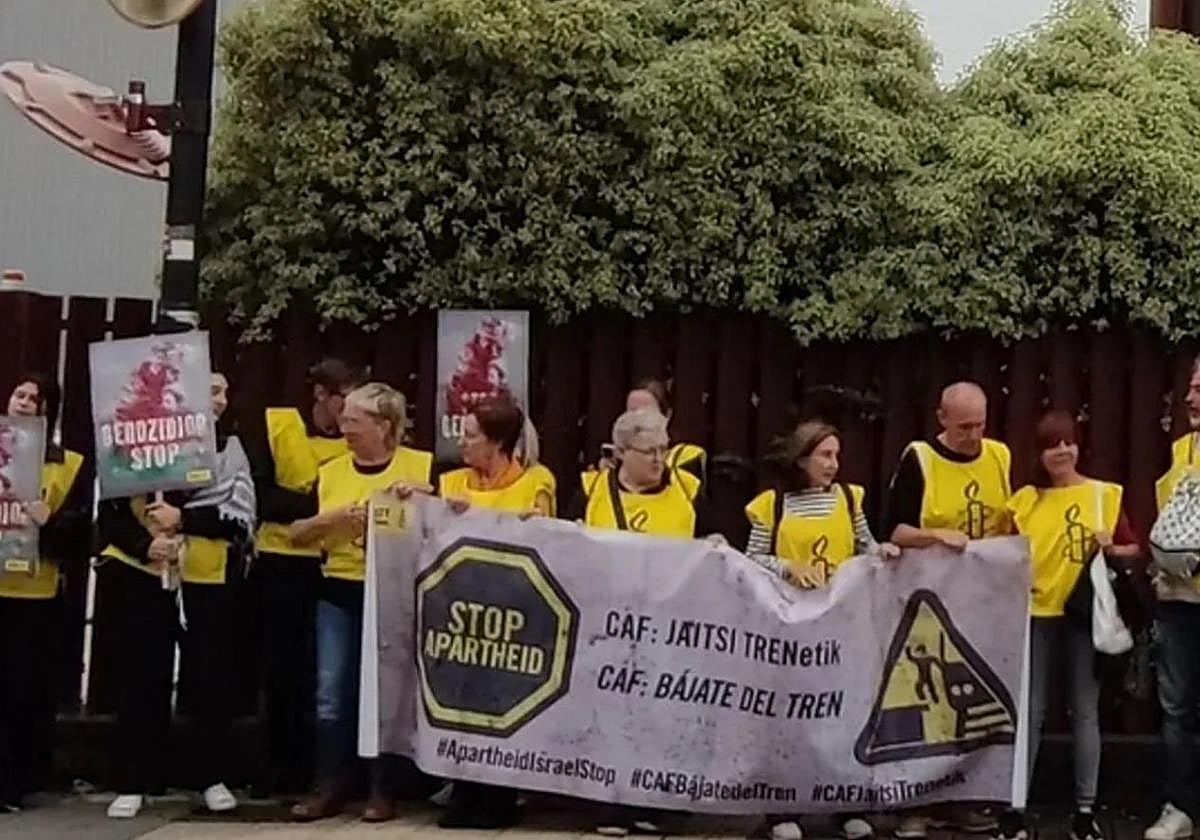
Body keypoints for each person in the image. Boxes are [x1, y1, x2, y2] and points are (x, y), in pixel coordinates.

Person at [99, 372, 256, 819]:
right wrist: (145, 545)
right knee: (142, 675)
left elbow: (239, 520)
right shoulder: (135, 446)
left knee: (209, 677)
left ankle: (210, 777)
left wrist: (184, 519)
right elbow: (109, 515)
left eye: (224, 390)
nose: (220, 398)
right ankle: (134, 781)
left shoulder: (230, 451)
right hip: (146, 573)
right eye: (211, 389)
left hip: (206, 576)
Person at [569, 408, 723, 836]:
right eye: (649, 451)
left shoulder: (688, 491)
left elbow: (717, 542)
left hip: (669, 629)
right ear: (621, 452)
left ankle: (657, 803)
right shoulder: (591, 491)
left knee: (662, 717)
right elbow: (562, 547)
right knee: (609, 717)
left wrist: (714, 545)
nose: (659, 459)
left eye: (663, 450)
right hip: (608, 628)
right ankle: (610, 805)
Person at [288, 382, 434, 823]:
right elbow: (296, 533)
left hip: (394, 593)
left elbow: (452, 518)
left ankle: (383, 788)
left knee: (386, 693)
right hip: (339, 589)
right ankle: (329, 784)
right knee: (331, 693)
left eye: (354, 419)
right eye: (344, 418)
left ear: (384, 426)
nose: (344, 426)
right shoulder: (331, 471)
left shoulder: (420, 466)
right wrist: (332, 519)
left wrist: (425, 496)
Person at [744, 420, 897, 840]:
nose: (833, 464)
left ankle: (844, 803)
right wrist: (787, 567)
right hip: (790, 625)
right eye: (825, 455)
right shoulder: (773, 505)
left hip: (841, 623)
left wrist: (881, 551)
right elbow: (751, 556)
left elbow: (865, 544)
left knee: (842, 712)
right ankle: (783, 809)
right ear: (802, 459)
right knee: (790, 715)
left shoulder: (848, 499)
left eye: (836, 455)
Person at [883, 381, 1012, 840]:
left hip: (983, 602)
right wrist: (936, 536)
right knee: (928, 704)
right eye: (963, 428)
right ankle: (916, 804)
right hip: (930, 604)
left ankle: (965, 799)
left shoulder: (1000, 456)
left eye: (979, 425)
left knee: (972, 703)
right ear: (942, 419)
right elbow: (894, 530)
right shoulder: (919, 458)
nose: (973, 436)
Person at [1005, 410, 1140, 840]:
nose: (1062, 451)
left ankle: (1085, 810)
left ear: (1079, 447)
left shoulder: (1103, 494)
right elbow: (1004, 552)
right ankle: (1015, 807)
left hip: (1085, 615)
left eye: (1068, 442)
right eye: (1052, 444)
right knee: (1031, 711)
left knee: (1084, 710)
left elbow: (1134, 547)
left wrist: (1113, 548)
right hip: (1036, 612)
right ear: (1039, 453)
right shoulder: (1025, 500)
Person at [435, 395, 555, 829]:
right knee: (460, 700)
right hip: (461, 612)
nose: (462, 443)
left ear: (498, 442)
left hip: (514, 613)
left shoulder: (536, 481)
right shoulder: (450, 484)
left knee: (504, 703)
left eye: (471, 436)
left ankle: (499, 795)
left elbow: (543, 534)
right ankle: (463, 789)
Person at [247, 357, 362, 796]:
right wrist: (320, 507)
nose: (349, 413)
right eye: (343, 401)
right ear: (320, 395)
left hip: (332, 564)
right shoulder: (277, 424)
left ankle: (329, 771)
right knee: (282, 670)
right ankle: (280, 768)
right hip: (281, 562)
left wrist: (312, 509)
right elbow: (261, 497)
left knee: (329, 673)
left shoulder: (357, 439)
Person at [0, 373, 88, 812]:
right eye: (19, 394)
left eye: (34, 399)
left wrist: (48, 520)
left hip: (34, 593)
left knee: (20, 690)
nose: (24, 402)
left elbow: (79, 536)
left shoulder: (68, 464)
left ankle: (13, 782)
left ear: (47, 411)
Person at [1145, 356, 1200, 840]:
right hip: (1178, 600)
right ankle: (1179, 807)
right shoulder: (1183, 448)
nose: (1190, 397)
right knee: (1177, 709)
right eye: (1191, 387)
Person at [623, 378, 706, 482]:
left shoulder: (687, 457)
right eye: (632, 414)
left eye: (647, 414)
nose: (638, 421)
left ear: (667, 415)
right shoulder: (621, 458)